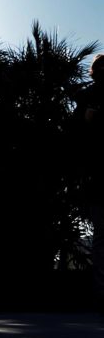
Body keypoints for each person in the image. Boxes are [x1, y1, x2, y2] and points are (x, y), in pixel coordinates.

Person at [76, 53, 104, 312]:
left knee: (101, 238)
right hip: (96, 177)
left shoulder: (88, 96)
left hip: (94, 177)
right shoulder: (88, 97)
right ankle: (100, 293)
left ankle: (100, 293)